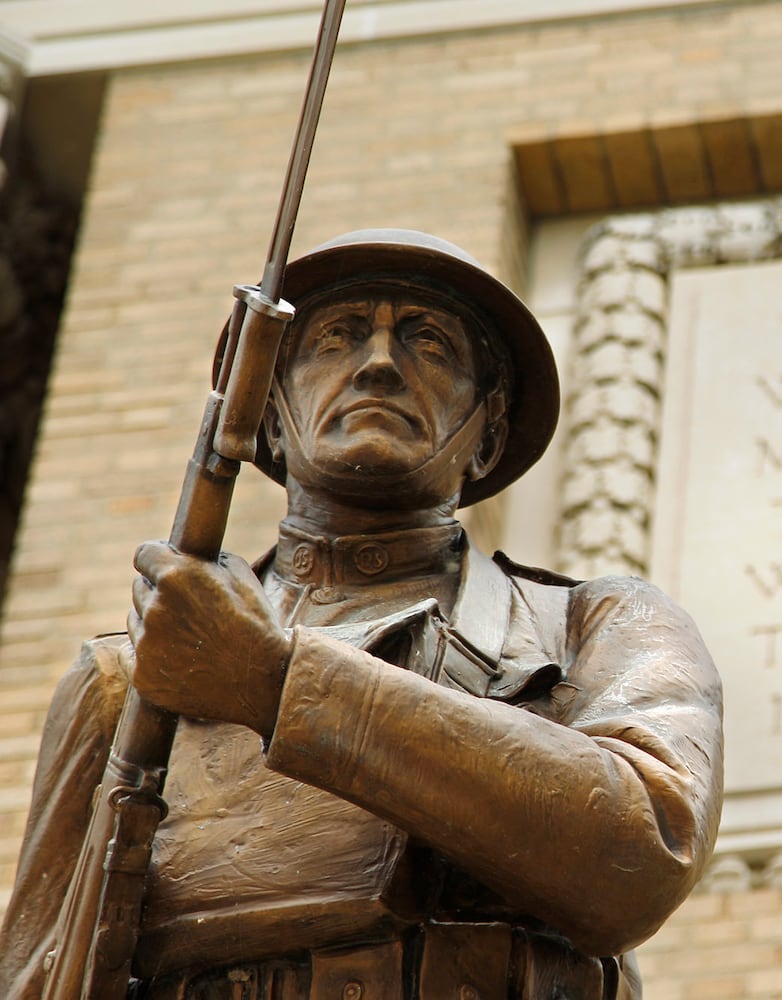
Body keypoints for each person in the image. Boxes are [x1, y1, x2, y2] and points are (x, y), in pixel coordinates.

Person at [0, 229, 725, 1000]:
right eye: (337, 339)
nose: (379, 362)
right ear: (272, 418)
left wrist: (274, 681)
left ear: (488, 433)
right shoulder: (126, 680)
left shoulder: (590, 626)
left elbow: (645, 849)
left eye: (431, 343)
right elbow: (39, 966)